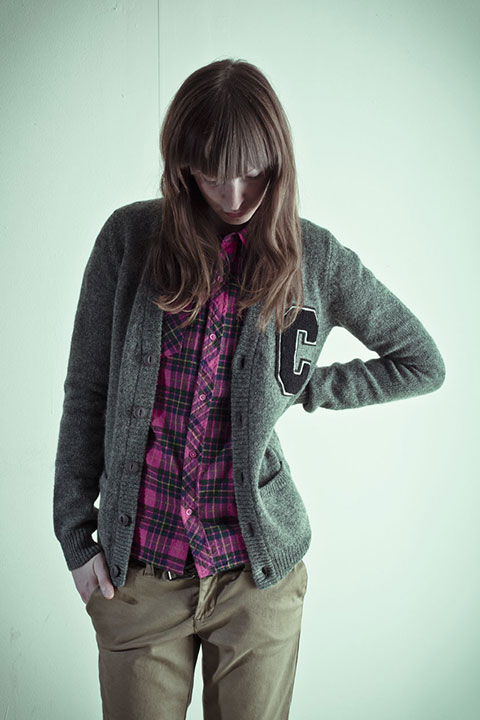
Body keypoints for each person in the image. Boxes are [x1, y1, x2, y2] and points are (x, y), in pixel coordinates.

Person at [53, 58, 446, 720]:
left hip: (256, 581)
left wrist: (306, 387)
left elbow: (420, 360)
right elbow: (87, 390)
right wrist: (75, 534)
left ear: (278, 161)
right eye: (212, 172)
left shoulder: (315, 259)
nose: (234, 193)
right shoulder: (130, 239)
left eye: (252, 171)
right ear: (182, 166)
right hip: (139, 577)